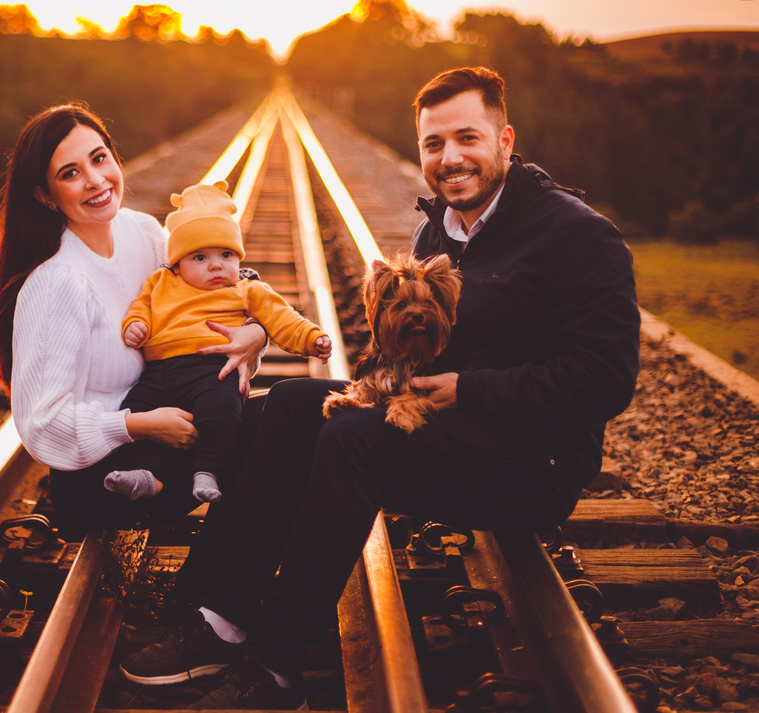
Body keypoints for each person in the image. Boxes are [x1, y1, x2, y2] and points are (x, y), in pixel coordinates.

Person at [118, 66, 641, 710]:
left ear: (505, 140)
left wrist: (468, 391)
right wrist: (256, 324)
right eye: (433, 144)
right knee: (290, 404)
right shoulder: (439, 230)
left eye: (467, 138)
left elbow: (606, 380)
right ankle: (216, 612)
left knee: (352, 439)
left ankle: (278, 662)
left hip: (528, 463)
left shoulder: (578, 235)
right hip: (440, 425)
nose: (450, 158)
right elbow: (402, 344)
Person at [0, 104, 269, 532]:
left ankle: (219, 587)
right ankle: (216, 589)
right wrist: (139, 426)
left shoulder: (145, 234)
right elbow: (41, 426)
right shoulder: (56, 283)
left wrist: (255, 333)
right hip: (103, 478)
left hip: (177, 435)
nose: (96, 180)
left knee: (301, 409)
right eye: (70, 173)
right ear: (45, 195)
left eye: (99, 158)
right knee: (292, 425)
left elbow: (216, 299)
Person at [108, 180, 333, 505]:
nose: (216, 265)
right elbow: (141, 305)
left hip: (213, 370)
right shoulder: (161, 282)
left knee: (222, 412)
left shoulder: (246, 289)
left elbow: (282, 317)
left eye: (226, 254)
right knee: (135, 410)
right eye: (199, 257)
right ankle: (147, 474)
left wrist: (313, 338)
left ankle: (208, 471)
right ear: (177, 264)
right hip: (158, 373)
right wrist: (136, 324)